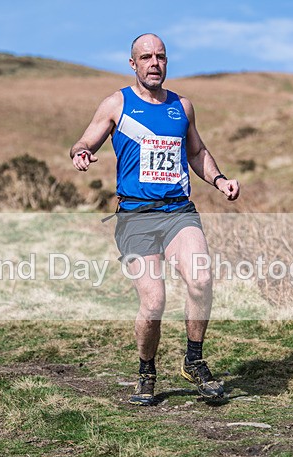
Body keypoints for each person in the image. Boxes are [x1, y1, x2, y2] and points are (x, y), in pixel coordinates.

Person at [70, 33, 240, 406]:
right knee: (154, 302)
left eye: (160, 56)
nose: (154, 63)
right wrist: (81, 152)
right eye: (146, 57)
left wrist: (219, 180)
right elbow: (85, 141)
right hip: (136, 216)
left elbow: (197, 152)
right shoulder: (117, 104)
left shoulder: (182, 106)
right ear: (133, 64)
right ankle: (146, 371)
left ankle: (194, 361)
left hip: (178, 211)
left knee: (201, 279)